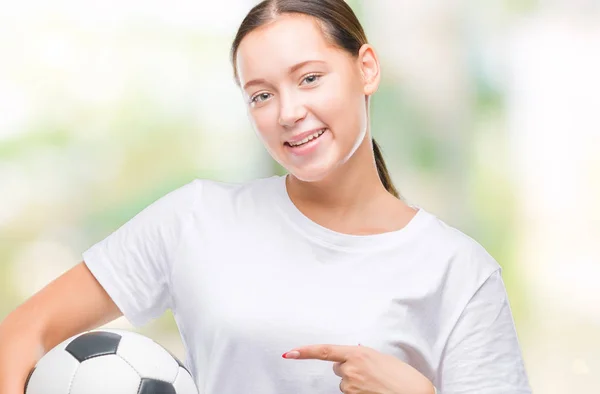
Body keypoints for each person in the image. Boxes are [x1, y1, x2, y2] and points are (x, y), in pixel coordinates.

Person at [0, 1, 532, 393]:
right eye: (261, 94)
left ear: (365, 68)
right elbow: (24, 330)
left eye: (310, 78)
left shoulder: (458, 270)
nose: (288, 112)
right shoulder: (197, 218)